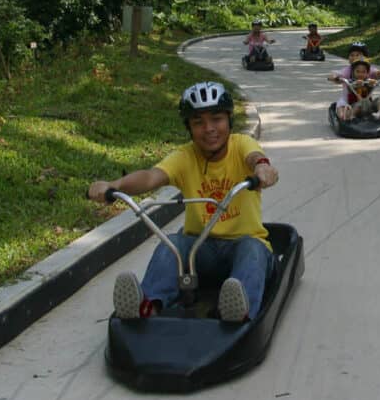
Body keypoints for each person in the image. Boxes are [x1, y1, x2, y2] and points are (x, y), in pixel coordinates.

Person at [87, 81, 279, 323]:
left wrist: (263, 168)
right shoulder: (185, 156)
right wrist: (114, 185)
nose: (209, 128)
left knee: (253, 250)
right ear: (189, 127)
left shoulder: (241, 144)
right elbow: (150, 177)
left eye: (216, 119)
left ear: (229, 120)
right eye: (198, 122)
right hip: (198, 250)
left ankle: (236, 311)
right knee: (174, 243)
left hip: (244, 245)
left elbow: (255, 157)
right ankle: (147, 306)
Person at [328, 42, 380, 120]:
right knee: (342, 109)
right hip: (349, 103)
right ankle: (348, 114)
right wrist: (335, 77)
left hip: (367, 103)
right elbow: (336, 74)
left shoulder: (369, 69)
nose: (354, 57)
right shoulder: (347, 71)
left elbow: (378, 73)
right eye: (352, 55)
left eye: (358, 55)